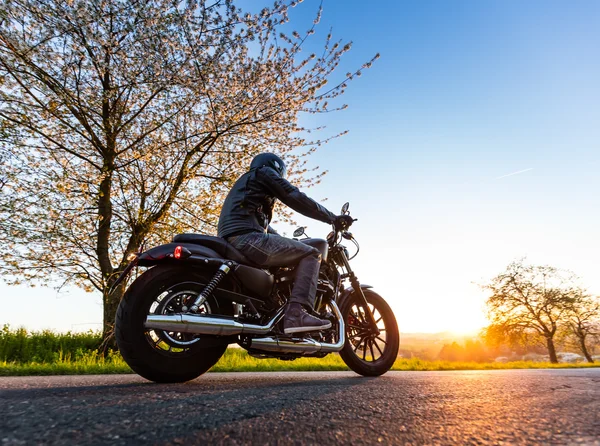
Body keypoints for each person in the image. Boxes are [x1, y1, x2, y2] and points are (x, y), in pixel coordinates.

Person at [217, 153, 353, 334]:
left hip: (236, 238)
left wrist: (286, 241)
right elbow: (292, 195)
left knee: (290, 259)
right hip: (247, 238)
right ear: (277, 168)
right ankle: (296, 314)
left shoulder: (247, 184)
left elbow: (263, 226)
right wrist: (332, 218)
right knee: (312, 254)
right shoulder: (263, 173)